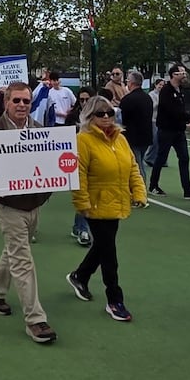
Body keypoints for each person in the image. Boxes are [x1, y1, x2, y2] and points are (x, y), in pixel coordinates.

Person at [0, 82, 57, 344]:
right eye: (16, 100)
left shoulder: (40, 131)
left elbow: (50, 166)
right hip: (8, 206)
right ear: (6, 102)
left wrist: (49, 187)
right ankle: (35, 320)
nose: (21, 105)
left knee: (14, 250)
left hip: (34, 205)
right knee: (22, 259)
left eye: (26, 101)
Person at [66, 95, 147, 322]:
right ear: (89, 116)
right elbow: (78, 175)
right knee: (109, 254)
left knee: (103, 247)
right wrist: (82, 204)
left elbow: (132, 167)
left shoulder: (120, 139)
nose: (105, 117)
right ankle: (114, 299)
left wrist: (139, 192)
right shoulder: (83, 140)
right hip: (95, 204)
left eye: (109, 113)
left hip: (117, 201)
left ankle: (80, 276)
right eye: (100, 113)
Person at [148, 64, 190, 199]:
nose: (184, 75)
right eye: (181, 72)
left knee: (184, 158)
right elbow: (173, 111)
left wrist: (187, 121)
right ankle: (153, 186)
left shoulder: (180, 89)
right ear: (174, 75)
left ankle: (188, 190)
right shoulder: (166, 90)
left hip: (179, 131)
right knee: (161, 158)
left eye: (184, 72)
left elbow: (180, 110)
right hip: (166, 131)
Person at [65, 86, 96, 246]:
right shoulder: (72, 117)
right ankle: (84, 230)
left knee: (88, 193)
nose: (84, 102)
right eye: (81, 99)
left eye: (87, 99)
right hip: (76, 159)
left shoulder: (99, 115)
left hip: (94, 159)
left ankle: (79, 226)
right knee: (84, 193)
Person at [119, 71, 153, 183]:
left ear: (131, 83)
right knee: (139, 162)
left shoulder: (127, 100)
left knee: (137, 166)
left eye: (128, 81)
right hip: (146, 136)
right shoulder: (148, 98)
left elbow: (122, 119)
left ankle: (141, 189)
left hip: (132, 137)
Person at [144, 78, 167, 167]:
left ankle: (162, 160)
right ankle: (149, 157)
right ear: (156, 85)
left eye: (163, 85)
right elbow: (150, 106)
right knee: (155, 140)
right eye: (160, 85)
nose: (161, 86)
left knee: (164, 141)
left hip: (162, 121)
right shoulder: (151, 95)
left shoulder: (165, 94)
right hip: (153, 120)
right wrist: (159, 104)